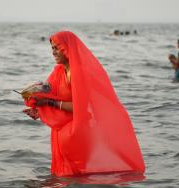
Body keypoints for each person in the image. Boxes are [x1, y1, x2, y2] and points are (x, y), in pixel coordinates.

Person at [22, 31, 145, 176]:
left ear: (66, 48)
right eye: (52, 48)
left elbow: (79, 107)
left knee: (76, 177)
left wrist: (48, 102)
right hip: (61, 132)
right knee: (65, 179)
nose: (53, 52)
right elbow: (53, 99)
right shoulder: (59, 72)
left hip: (77, 133)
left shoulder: (77, 73)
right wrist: (39, 111)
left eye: (56, 48)